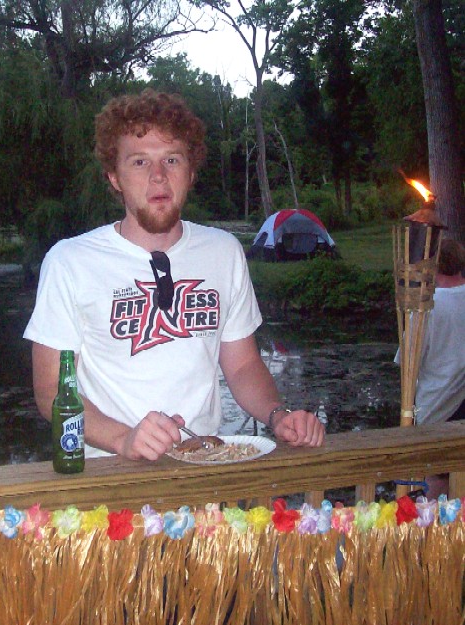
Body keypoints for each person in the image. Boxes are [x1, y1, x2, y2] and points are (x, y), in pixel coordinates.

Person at [23, 89, 325, 461]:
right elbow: (51, 390)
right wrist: (124, 439)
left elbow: (243, 365)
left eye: (171, 159)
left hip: (204, 467)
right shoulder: (70, 261)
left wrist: (278, 415)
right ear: (115, 177)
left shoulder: (224, 252)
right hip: (110, 475)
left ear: (190, 172)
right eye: (139, 162)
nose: (158, 176)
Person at [395, 238, 465, 498]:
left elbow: (408, 363)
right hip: (459, 404)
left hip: (436, 407)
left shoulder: (426, 308)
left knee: (433, 487)